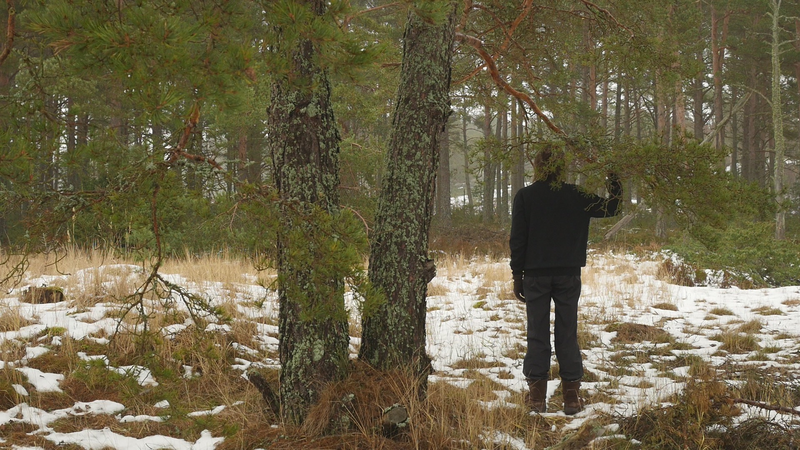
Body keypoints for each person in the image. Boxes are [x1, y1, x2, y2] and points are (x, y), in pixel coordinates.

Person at [509, 145, 622, 415]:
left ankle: (537, 398)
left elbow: (518, 239)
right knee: (567, 333)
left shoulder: (526, 196)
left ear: (537, 166)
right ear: (562, 167)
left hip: (535, 276)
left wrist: (517, 275)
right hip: (568, 275)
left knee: (537, 333)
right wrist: (613, 177)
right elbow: (613, 207)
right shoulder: (577, 195)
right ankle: (571, 398)